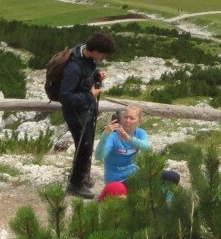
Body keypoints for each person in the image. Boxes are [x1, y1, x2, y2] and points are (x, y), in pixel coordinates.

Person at [59, 31, 116, 199]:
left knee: (87, 144)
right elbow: (65, 96)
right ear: (96, 51)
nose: (104, 57)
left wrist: (97, 76)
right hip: (76, 114)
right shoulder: (74, 68)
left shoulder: (85, 57)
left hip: (85, 111)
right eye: (103, 54)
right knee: (84, 147)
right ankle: (75, 184)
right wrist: (89, 95)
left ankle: (81, 176)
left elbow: (86, 78)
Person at [95, 104, 179, 186]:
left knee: (173, 176)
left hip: (135, 176)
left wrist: (129, 139)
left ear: (139, 121)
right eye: (126, 117)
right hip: (117, 181)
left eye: (132, 118)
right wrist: (105, 135)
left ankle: (167, 199)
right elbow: (98, 156)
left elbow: (148, 148)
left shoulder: (140, 133)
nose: (128, 121)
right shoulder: (113, 136)